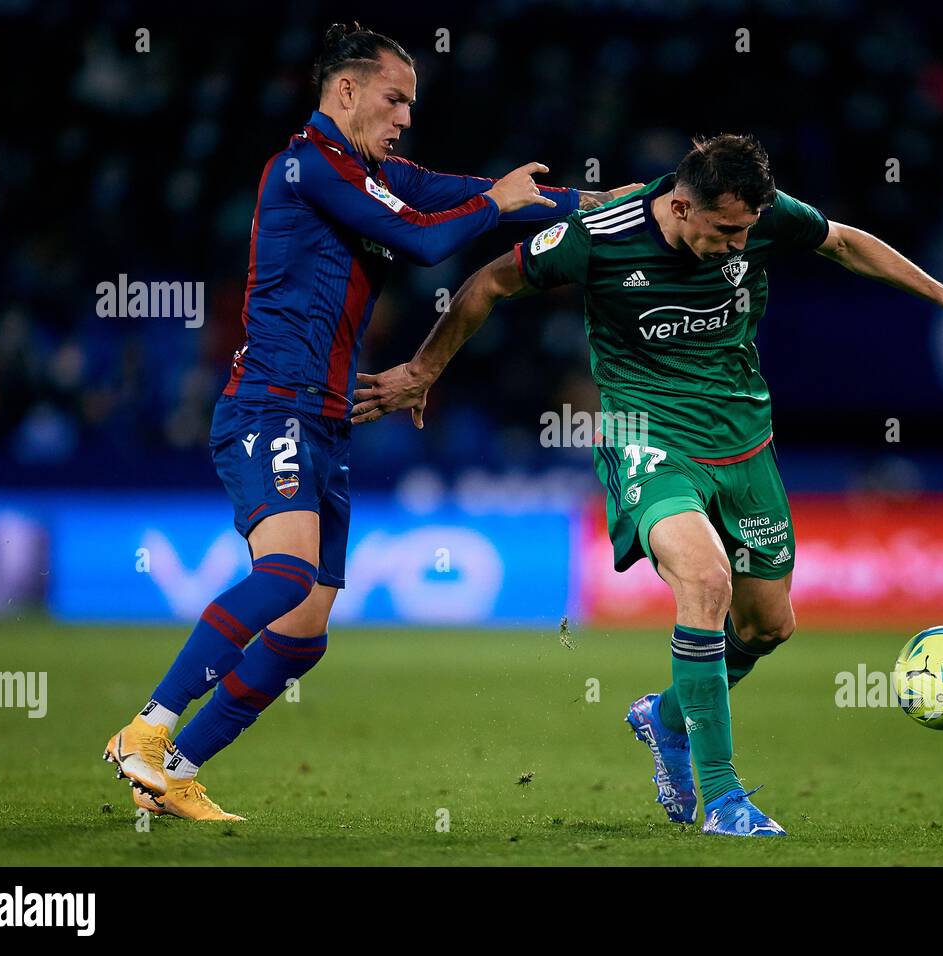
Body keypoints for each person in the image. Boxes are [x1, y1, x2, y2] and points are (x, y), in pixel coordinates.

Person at [350, 133, 943, 836]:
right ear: (680, 204)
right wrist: (425, 368)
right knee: (706, 583)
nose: (739, 244)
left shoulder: (763, 218)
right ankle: (725, 799)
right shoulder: (600, 235)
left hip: (743, 443)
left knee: (768, 624)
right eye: (725, 230)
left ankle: (666, 718)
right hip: (645, 435)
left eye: (748, 230)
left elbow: (844, 242)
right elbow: (492, 280)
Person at [103, 22, 633, 820]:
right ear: (345, 90)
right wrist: (494, 202)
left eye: (412, 104)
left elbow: (515, 204)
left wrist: (644, 204)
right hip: (269, 404)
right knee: (282, 577)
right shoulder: (305, 165)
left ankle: (173, 769)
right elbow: (423, 245)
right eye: (395, 99)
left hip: (325, 423)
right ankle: (147, 726)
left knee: (306, 630)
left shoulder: (382, 175)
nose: (406, 117)